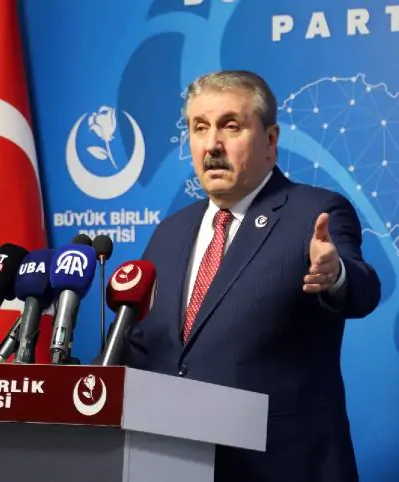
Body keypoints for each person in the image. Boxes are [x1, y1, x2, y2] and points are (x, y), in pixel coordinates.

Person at [121, 70, 381, 482]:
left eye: (230, 126)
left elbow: (362, 290)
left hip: (281, 466)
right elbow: (141, 345)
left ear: (271, 140)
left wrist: (335, 275)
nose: (212, 144)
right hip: (173, 462)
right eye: (199, 127)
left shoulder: (314, 213)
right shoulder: (169, 232)